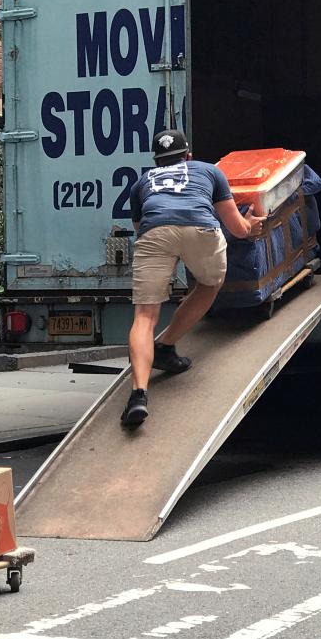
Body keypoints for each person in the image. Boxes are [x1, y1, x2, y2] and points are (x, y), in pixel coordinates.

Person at [122, 130, 266, 427]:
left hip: (154, 232)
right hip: (201, 230)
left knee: (145, 317)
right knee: (209, 285)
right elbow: (238, 229)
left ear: (156, 161)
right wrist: (251, 225)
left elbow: (143, 226)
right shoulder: (210, 171)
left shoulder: (141, 183)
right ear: (188, 156)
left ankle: (138, 395)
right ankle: (167, 346)